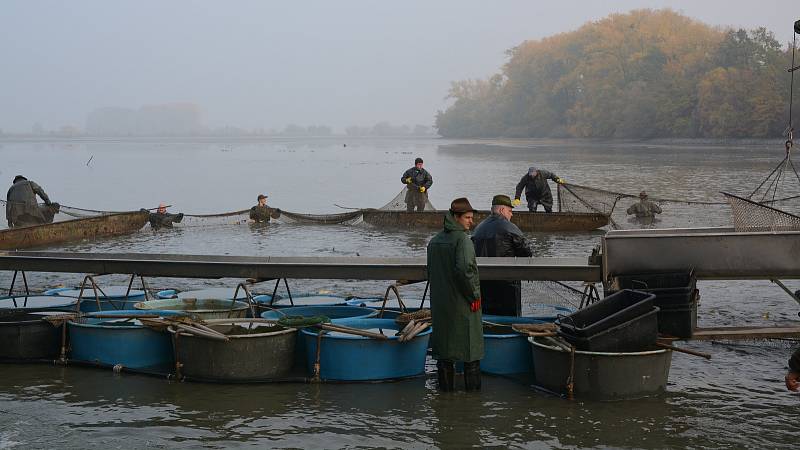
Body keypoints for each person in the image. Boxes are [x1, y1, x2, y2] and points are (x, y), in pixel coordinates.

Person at [427, 197, 483, 392]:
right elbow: (465, 271)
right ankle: (473, 399)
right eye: (467, 217)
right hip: (463, 304)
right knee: (471, 351)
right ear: (456, 217)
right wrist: (474, 296)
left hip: (441, 305)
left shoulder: (434, 242)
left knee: (445, 353)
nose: (471, 222)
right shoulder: (463, 241)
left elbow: (432, 273)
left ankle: (445, 398)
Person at [472, 194, 533, 316]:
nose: (512, 214)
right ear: (501, 210)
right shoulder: (509, 227)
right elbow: (526, 250)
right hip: (506, 283)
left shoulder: (479, 228)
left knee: (486, 316)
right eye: (510, 211)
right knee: (509, 318)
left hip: (482, 281)